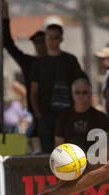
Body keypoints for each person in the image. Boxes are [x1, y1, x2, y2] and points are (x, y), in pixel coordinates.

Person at [30, 23, 87, 154]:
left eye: (55, 37)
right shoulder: (38, 63)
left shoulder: (70, 60)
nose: (51, 40)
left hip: (67, 114)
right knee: (48, 155)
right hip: (45, 115)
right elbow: (33, 91)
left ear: (61, 39)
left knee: (69, 153)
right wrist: (38, 114)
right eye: (48, 37)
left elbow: (82, 84)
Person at [2, 0, 46, 121]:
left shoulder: (59, 61)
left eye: (42, 41)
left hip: (57, 115)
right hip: (37, 115)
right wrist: (5, 17)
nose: (39, 45)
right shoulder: (29, 62)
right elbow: (8, 44)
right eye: (36, 42)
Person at [54, 78, 109, 152]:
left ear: (90, 94)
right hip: (69, 160)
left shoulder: (101, 118)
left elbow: (102, 148)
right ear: (72, 94)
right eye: (77, 92)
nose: (81, 95)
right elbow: (59, 147)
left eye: (84, 92)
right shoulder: (63, 118)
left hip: (93, 160)